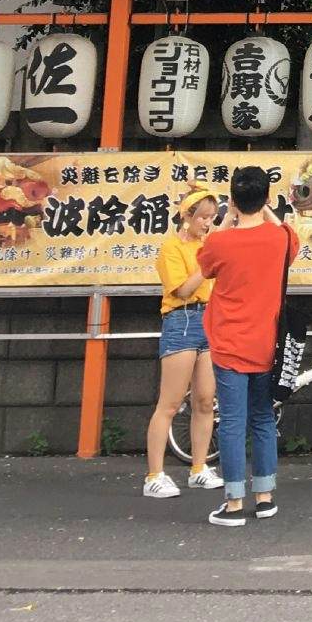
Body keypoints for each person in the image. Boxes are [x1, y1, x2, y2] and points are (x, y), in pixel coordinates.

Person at [195, 164, 300, 526]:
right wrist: (263, 209)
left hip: (228, 342)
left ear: (234, 201)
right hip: (266, 342)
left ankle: (235, 502)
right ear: (267, 198)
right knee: (263, 419)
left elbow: (206, 263)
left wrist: (229, 217)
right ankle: (265, 497)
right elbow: (281, 228)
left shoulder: (220, 242)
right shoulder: (282, 238)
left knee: (232, 423)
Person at [142, 188, 223, 498]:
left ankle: (199, 468)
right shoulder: (172, 248)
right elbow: (184, 291)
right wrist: (206, 264)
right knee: (171, 403)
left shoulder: (209, 245)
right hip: (182, 319)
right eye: (202, 217)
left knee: (205, 400)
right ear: (186, 216)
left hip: (210, 320)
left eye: (211, 217)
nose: (207, 223)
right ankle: (154, 475)